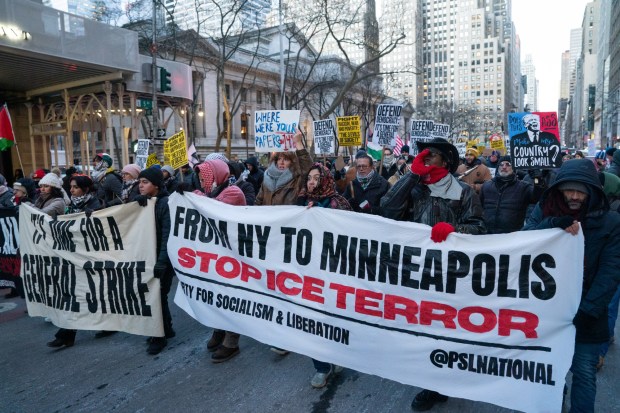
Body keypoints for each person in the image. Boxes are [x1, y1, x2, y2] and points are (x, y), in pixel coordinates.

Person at [380, 137, 486, 412]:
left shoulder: (463, 191)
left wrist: (455, 231)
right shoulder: (413, 188)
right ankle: (432, 380)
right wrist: (412, 175)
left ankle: (437, 384)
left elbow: (479, 229)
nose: (425, 157)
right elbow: (388, 207)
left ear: (447, 161)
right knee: (422, 328)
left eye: (433, 154)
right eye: (423, 154)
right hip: (417, 272)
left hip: (450, 274)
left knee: (446, 329)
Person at [523, 159, 620, 412]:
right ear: (558, 190)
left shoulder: (611, 222)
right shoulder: (543, 210)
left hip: (587, 313)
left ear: (592, 192)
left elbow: (611, 271)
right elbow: (525, 240)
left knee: (584, 374)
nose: (575, 196)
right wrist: (552, 225)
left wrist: (588, 310)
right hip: (547, 312)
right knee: (548, 371)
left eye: (581, 191)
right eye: (569, 190)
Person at [297, 163, 350, 388]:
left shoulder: (339, 204)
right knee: (310, 320)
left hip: (334, 272)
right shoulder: (300, 203)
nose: (311, 182)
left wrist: (322, 217)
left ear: (326, 180)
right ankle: (321, 366)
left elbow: (351, 238)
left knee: (331, 321)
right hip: (308, 273)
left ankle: (335, 357)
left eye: (316, 178)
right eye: (309, 177)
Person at [47, 175, 103, 348]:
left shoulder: (96, 205)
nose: (71, 190)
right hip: (74, 257)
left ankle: (106, 325)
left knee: (95, 295)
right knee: (76, 295)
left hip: (92, 258)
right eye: (70, 187)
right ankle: (66, 334)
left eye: (75, 187)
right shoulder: (71, 206)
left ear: (85, 189)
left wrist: (92, 217)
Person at [194, 184, 247, 363]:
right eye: (201, 177)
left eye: (206, 175)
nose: (204, 180)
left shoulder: (233, 191)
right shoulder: (209, 192)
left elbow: (214, 207)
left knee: (231, 295)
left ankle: (232, 341)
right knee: (216, 293)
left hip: (234, 251)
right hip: (216, 250)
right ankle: (219, 329)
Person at [136, 167, 175, 355]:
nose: (140, 186)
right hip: (149, 257)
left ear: (157, 185)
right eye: (139, 182)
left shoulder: (165, 204)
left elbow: (167, 235)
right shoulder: (147, 202)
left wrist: (162, 262)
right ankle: (167, 328)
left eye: (145, 182)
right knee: (158, 295)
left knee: (157, 296)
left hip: (162, 259)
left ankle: (158, 336)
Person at [479, 156, 543, 234]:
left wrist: (538, 180)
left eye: (508, 164)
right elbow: (479, 209)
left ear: (514, 168)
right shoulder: (486, 186)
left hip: (512, 238)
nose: (504, 167)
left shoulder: (523, 187)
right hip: (487, 235)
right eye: (501, 164)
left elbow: (538, 198)